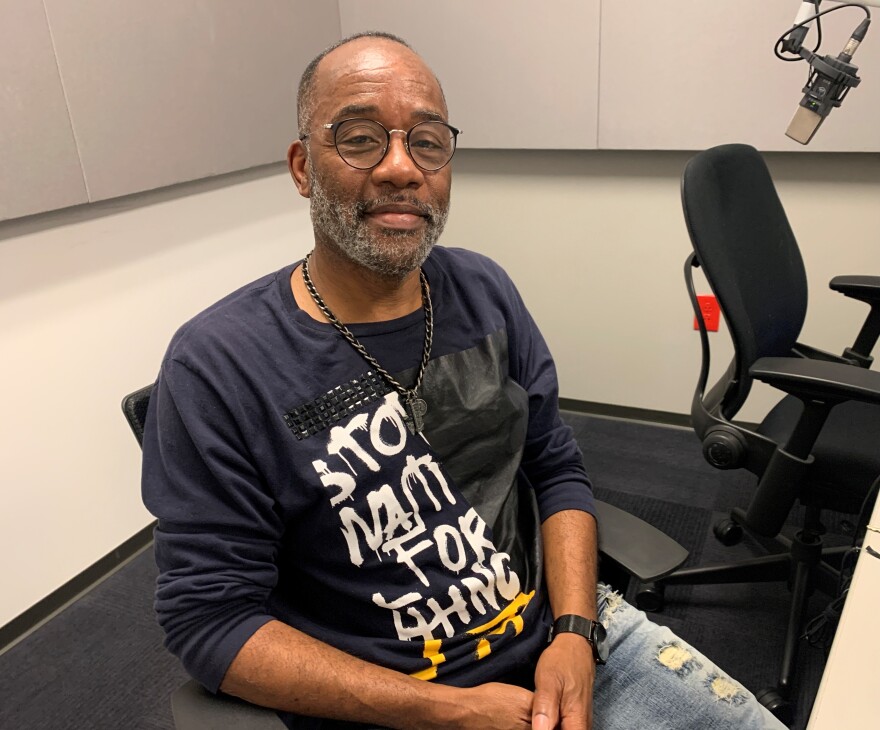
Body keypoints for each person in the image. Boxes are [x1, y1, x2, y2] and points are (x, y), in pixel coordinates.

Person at [142, 31, 786, 730]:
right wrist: (448, 711)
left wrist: (574, 634)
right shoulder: (217, 365)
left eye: (427, 141)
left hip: (567, 645)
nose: (401, 168)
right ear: (303, 166)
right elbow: (210, 624)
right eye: (360, 138)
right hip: (396, 707)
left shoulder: (484, 290)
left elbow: (557, 468)